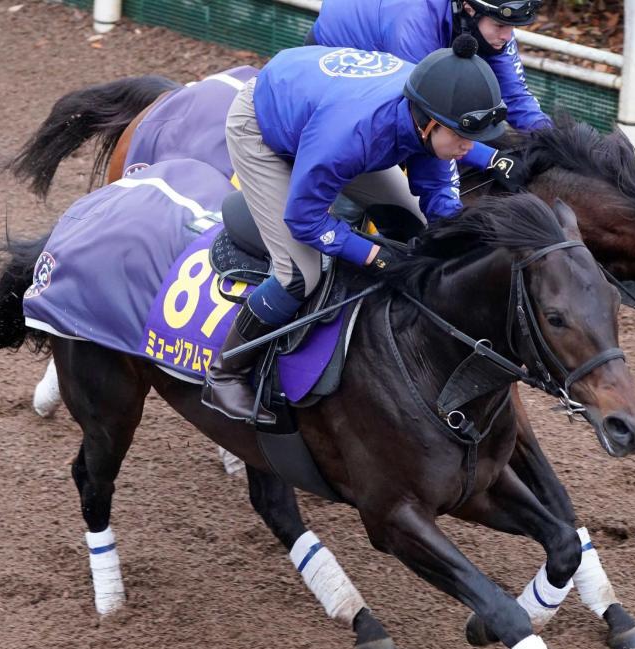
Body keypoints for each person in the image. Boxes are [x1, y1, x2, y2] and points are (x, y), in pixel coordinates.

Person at [202, 36, 507, 423]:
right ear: (429, 122)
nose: (469, 148)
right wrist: (375, 256)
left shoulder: (426, 116)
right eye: (463, 137)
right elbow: (305, 218)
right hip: (262, 129)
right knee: (300, 274)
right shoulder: (352, 135)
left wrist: (457, 239)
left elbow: (438, 197)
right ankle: (225, 374)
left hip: (325, 114)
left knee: (414, 224)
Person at [310, 0, 550, 184]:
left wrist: (554, 140)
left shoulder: (494, 26)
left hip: (396, 46)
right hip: (337, 61)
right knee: (375, 144)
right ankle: (347, 215)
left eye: (512, 28)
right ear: (468, 8)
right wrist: (491, 159)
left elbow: (516, 96)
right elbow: (422, 116)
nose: (507, 37)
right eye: (500, 25)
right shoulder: (415, 22)